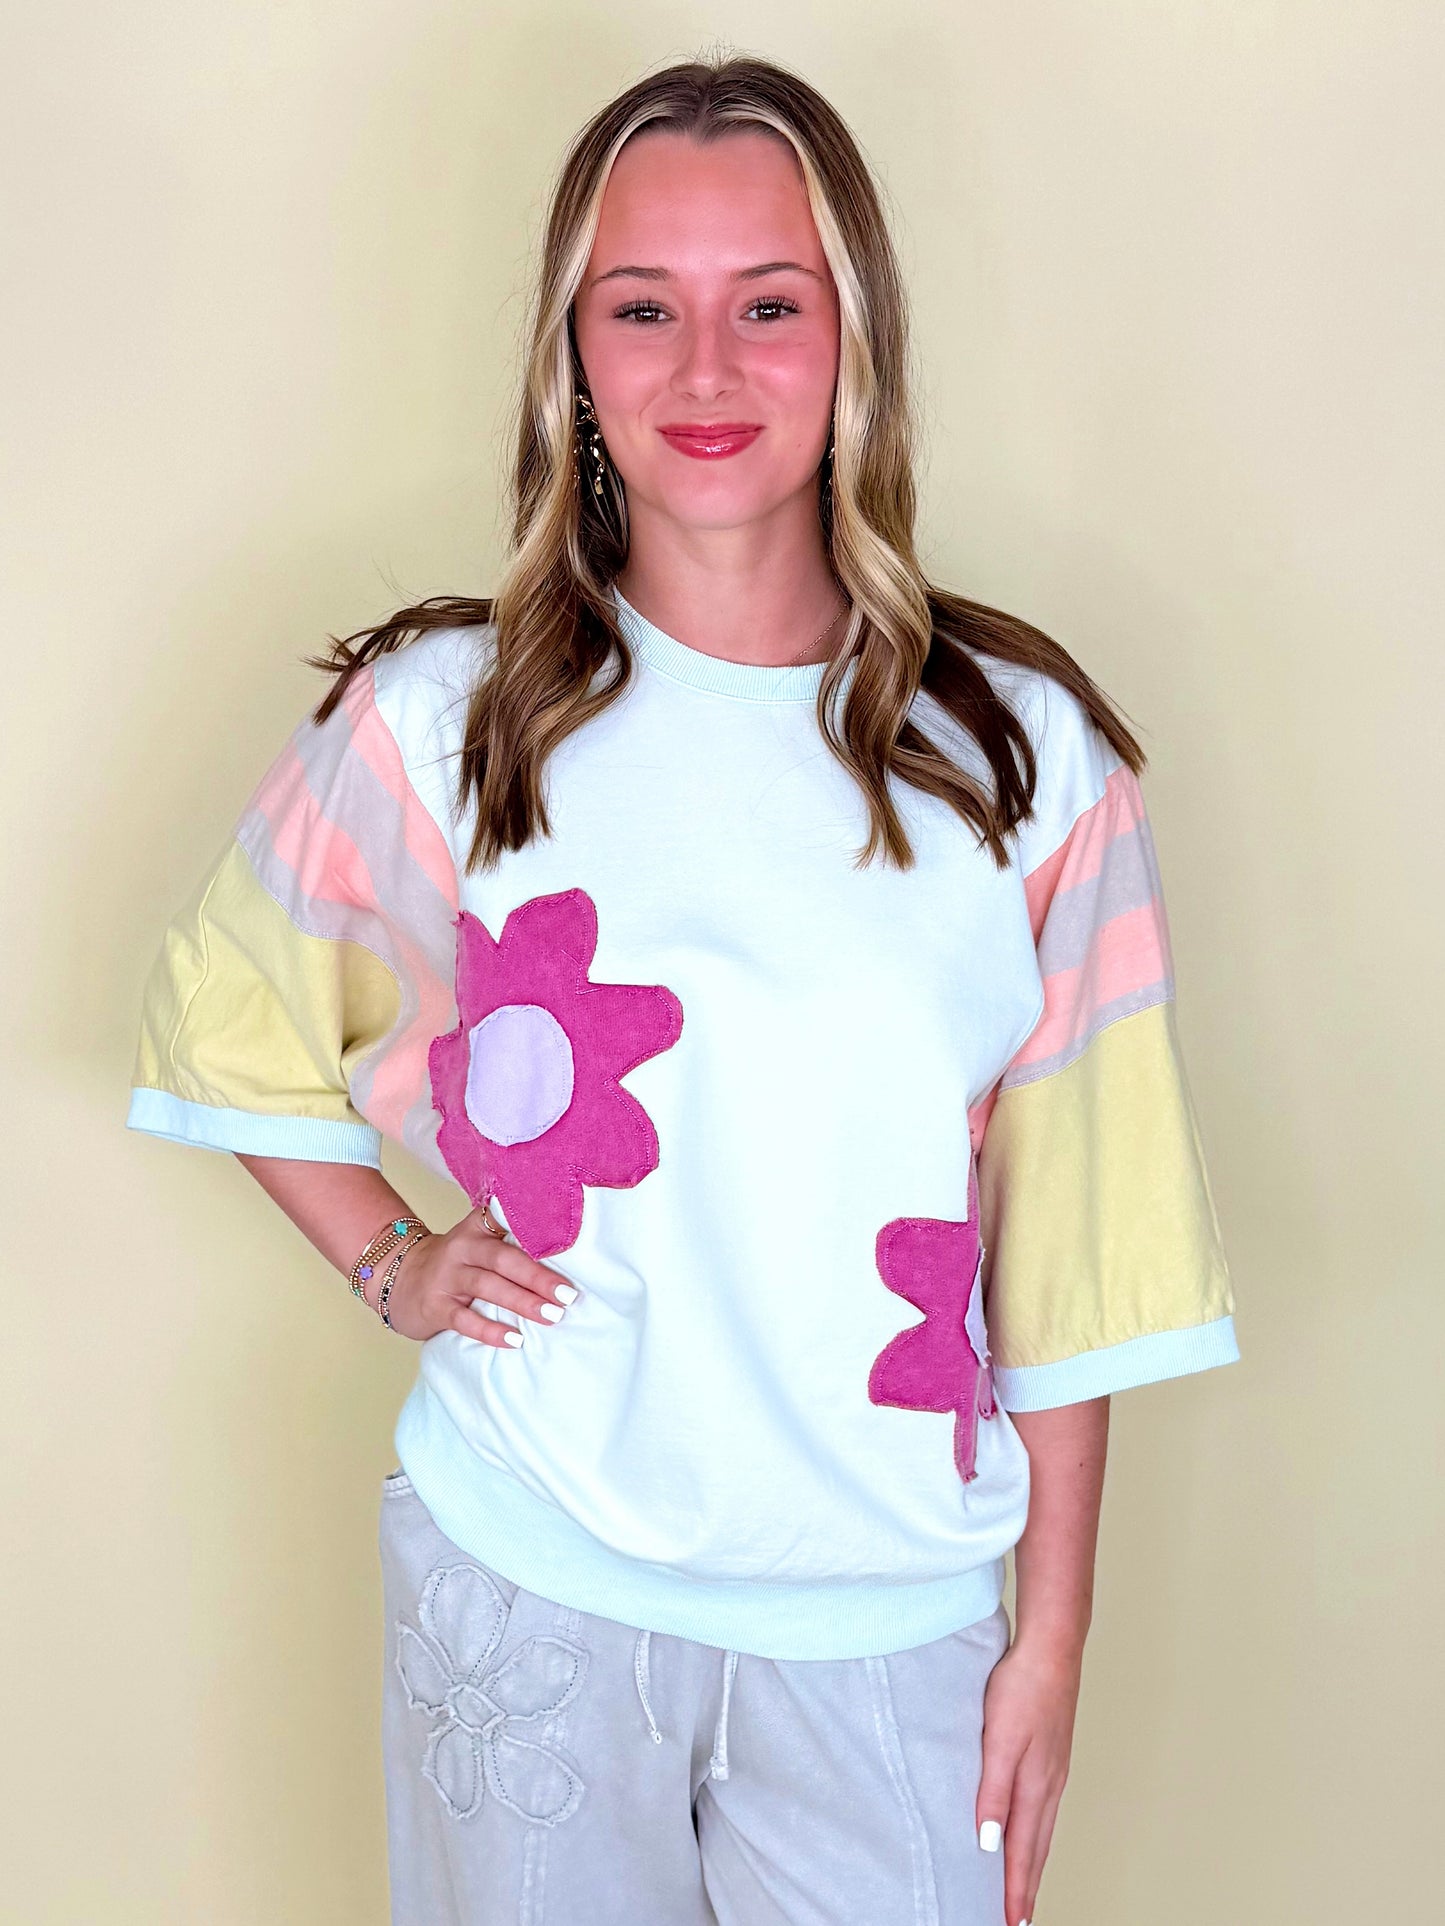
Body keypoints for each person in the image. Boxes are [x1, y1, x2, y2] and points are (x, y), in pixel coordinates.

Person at [125, 53, 1239, 1926]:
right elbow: (226, 1017)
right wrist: (391, 1262)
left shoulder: (1021, 760)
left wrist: (1048, 1639)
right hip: (527, 1574)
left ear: (854, 338)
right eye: (641, 309)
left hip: (890, 1622)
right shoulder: (452, 722)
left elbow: (1080, 1241)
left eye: (768, 306)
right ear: (572, 353)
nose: (704, 370)